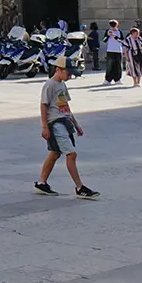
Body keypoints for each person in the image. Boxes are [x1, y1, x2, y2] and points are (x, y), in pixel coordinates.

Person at [36, 54, 99, 198]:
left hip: (65, 122)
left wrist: (76, 124)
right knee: (71, 154)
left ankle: (41, 183)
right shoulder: (49, 85)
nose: (70, 76)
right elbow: (43, 106)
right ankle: (79, 187)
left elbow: (65, 105)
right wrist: (44, 126)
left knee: (55, 153)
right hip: (55, 123)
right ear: (58, 69)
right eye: (68, 73)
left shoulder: (62, 84)